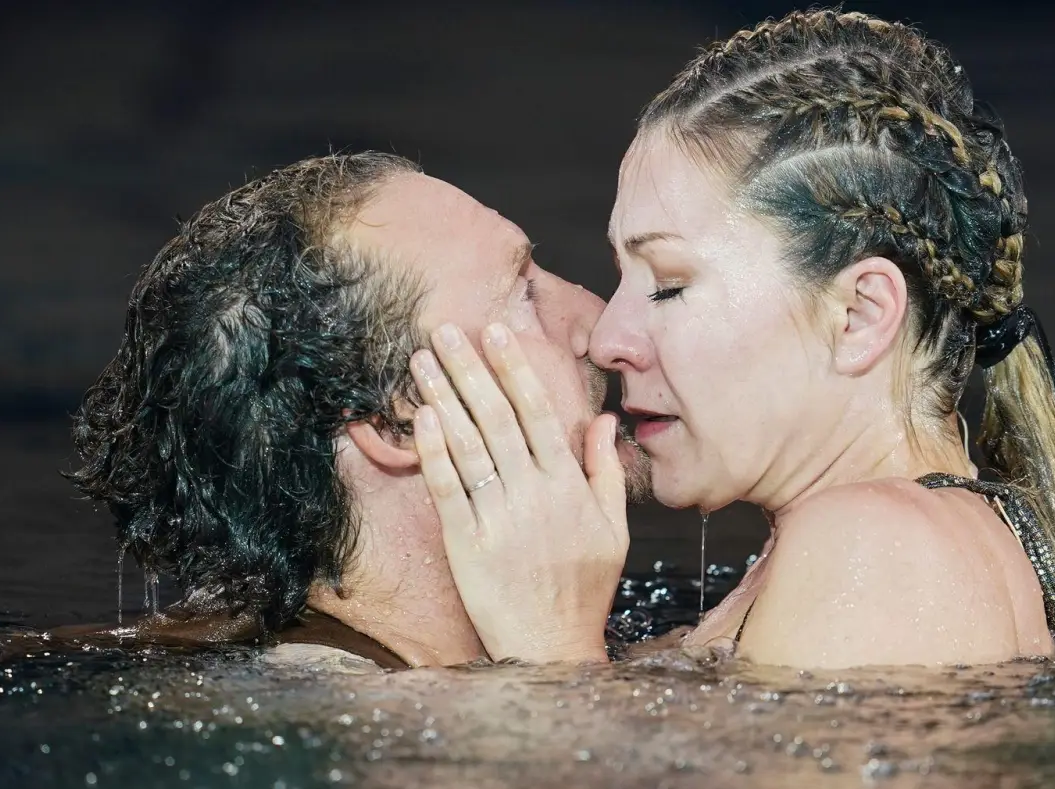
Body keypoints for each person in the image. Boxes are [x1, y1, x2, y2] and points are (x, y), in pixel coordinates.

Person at [416, 10, 1055, 668]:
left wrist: (547, 655)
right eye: (620, 276)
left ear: (861, 316)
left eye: (671, 282)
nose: (607, 333)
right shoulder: (866, 544)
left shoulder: (878, 554)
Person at [43, 150, 645, 670]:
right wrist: (558, 657)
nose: (600, 322)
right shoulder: (325, 698)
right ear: (395, 421)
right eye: (526, 295)